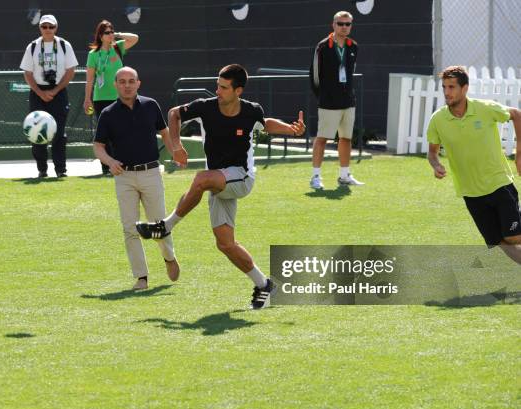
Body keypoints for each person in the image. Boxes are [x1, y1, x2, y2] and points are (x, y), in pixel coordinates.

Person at [136, 64, 305, 309]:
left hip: (241, 178)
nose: (218, 91)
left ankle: (166, 226)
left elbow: (265, 123)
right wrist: (176, 146)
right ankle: (264, 285)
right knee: (225, 244)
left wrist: (290, 129)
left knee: (201, 179)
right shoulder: (206, 107)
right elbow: (174, 113)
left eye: (224, 88)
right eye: (217, 85)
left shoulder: (251, 111)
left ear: (238, 91)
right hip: (220, 180)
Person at [93, 66, 180, 290]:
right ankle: (141, 277)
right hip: (124, 177)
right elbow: (98, 146)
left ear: (138, 83)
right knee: (130, 228)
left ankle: (169, 257)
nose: (127, 85)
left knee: (159, 224)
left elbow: (164, 131)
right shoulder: (108, 113)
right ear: (116, 85)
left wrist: (175, 151)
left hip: (151, 172)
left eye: (131, 81)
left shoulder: (151, 105)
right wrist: (110, 162)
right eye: (122, 81)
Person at [427, 65, 521, 264]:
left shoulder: (484, 109)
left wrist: (519, 153)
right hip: (470, 193)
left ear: (465, 88)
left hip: (498, 184)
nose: (447, 92)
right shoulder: (438, 119)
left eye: (451, 87)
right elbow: (432, 152)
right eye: (444, 87)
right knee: (499, 241)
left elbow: (516, 114)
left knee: (513, 237)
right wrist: (435, 165)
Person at [308, 10, 363, 190]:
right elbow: (314, 76)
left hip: (348, 101)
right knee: (322, 138)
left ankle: (344, 175)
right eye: (340, 23)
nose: (344, 27)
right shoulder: (323, 46)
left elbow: (349, 72)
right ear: (333, 25)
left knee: (346, 138)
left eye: (347, 24)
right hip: (328, 102)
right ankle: (315, 177)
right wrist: (323, 96)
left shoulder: (353, 46)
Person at [20, 14, 78, 178]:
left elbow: (70, 71)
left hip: (58, 92)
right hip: (38, 92)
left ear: (56, 28)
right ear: (40, 28)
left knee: (59, 133)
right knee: (37, 132)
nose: (47, 30)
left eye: (50, 27)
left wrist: (55, 90)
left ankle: (60, 170)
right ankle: (42, 169)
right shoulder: (32, 47)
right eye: (44, 27)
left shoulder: (64, 45)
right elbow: (28, 73)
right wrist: (40, 92)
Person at [83, 20, 139, 175]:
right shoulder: (93, 54)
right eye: (107, 32)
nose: (110, 34)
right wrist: (87, 99)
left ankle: (124, 162)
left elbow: (135, 38)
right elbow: (90, 79)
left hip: (121, 97)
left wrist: (118, 34)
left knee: (124, 129)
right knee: (105, 132)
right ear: (100, 36)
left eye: (111, 31)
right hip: (100, 98)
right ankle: (106, 167)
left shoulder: (118, 47)